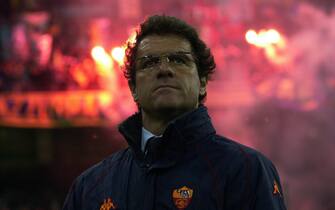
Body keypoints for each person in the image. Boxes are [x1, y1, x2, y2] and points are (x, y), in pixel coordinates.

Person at [63, 15, 287, 210]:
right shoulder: (91, 187)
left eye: (179, 60)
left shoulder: (246, 171)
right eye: (149, 63)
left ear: (202, 82)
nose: (164, 69)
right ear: (133, 89)